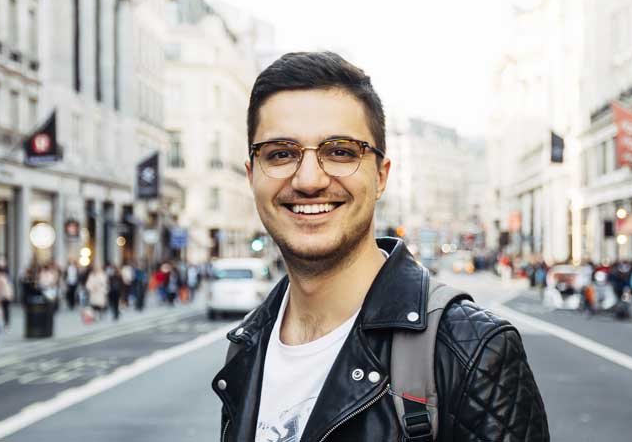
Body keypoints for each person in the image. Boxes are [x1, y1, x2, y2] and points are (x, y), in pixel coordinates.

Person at [213, 51, 547, 441]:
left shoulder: (470, 350)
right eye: (281, 154)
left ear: (381, 175)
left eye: (339, 151)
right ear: (252, 176)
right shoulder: (247, 344)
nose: (308, 179)